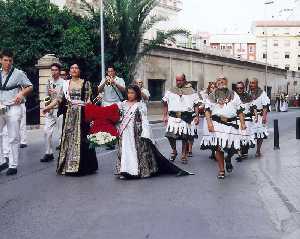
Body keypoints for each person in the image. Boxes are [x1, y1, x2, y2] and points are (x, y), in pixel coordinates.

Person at [116, 84, 192, 179]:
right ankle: (124, 171)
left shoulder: (140, 105)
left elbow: (144, 120)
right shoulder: (122, 104)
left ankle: (138, 171)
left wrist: (146, 133)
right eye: (128, 93)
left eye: (132, 93)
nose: (129, 95)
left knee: (137, 151)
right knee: (125, 151)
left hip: (136, 132)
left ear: (137, 94)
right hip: (125, 132)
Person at [43, 63, 98, 176]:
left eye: (76, 68)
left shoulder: (86, 83)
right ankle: (68, 165)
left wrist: (91, 109)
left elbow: (88, 100)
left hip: (82, 115)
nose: (74, 70)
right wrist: (48, 107)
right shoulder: (65, 84)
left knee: (82, 139)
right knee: (68, 138)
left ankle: (81, 167)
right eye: (72, 68)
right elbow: (59, 99)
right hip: (69, 115)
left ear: (80, 70)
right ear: (69, 70)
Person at [200, 75, 246, 179]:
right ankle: (221, 170)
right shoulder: (212, 95)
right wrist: (209, 124)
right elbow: (207, 111)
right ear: (216, 83)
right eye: (219, 80)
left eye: (223, 80)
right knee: (218, 148)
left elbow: (240, 110)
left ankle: (228, 159)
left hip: (231, 125)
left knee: (233, 148)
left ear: (226, 81)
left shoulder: (233, 94)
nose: (221, 82)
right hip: (217, 124)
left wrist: (243, 123)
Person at [0, 49, 33, 175]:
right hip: (1, 107)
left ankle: (13, 165)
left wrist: (21, 93)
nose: (7, 63)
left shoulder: (18, 73)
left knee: (13, 137)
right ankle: (2, 161)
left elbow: (30, 86)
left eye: (10, 60)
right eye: (5, 60)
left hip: (14, 107)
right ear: (0, 60)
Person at [162, 74, 200, 164]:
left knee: (184, 137)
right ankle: (174, 151)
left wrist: (197, 116)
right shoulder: (171, 91)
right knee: (170, 136)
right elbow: (165, 103)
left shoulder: (192, 91)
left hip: (186, 117)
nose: (178, 82)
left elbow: (196, 104)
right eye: (177, 80)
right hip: (173, 117)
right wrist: (164, 115)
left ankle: (183, 155)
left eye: (180, 80)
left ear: (184, 80)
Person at [40, 63, 64, 162]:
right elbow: (46, 96)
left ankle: (64, 153)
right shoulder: (49, 82)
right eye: (52, 70)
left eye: (55, 70)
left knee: (61, 133)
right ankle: (48, 152)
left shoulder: (63, 82)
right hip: (50, 110)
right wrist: (47, 106)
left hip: (59, 110)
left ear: (59, 71)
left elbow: (62, 98)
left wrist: (55, 93)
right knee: (46, 131)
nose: (53, 72)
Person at [234, 81, 256, 162]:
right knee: (238, 136)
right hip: (236, 118)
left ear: (243, 88)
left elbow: (253, 106)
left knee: (245, 136)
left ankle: (244, 152)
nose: (239, 89)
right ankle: (239, 154)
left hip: (247, 119)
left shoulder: (248, 96)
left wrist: (256, 115)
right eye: (238, 88)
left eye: (241, 88)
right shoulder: (233, 96)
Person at [249, 78, 270, 158]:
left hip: (260, 116)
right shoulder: (248, 93)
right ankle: (246, 150)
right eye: (250, 83)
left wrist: (264, 116)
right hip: (250, 116)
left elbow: (265, 106)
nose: (251, 84)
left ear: (256, 84)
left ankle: (258, 150)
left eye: (253, 83)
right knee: (249, 133)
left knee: (260, 134)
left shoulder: (262, 93)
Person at [199, 82, 216, 160]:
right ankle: (213, 152)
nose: (213, 89)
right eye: (212, 87)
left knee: (216, 136)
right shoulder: (207, 98)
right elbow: (202, 106)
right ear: (209, 89)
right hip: (208, 119)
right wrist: (200, 107)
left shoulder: (219, 96)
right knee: (210, 136)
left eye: (215, 87)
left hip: (216, 119)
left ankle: (216, 153)